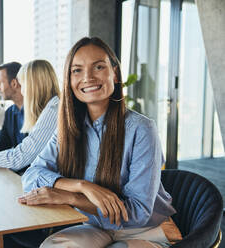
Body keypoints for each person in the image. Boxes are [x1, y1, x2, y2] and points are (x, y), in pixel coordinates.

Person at [18, 37, 179, 248]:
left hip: (145, 230)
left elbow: (138, 213)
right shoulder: (68, 128)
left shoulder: (141, 129)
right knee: (53, 246)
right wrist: (83, 187)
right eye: (77, 70)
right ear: (69, 80)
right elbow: (31, 175)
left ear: (115, 73)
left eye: (99, 67)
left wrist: (73, 198)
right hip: (94, 225)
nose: (88, 77)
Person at [0, 62, 27, 152]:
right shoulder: (10, 112)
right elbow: (0, 147)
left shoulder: (36, 111)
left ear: (14, 83)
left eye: (1, 83)